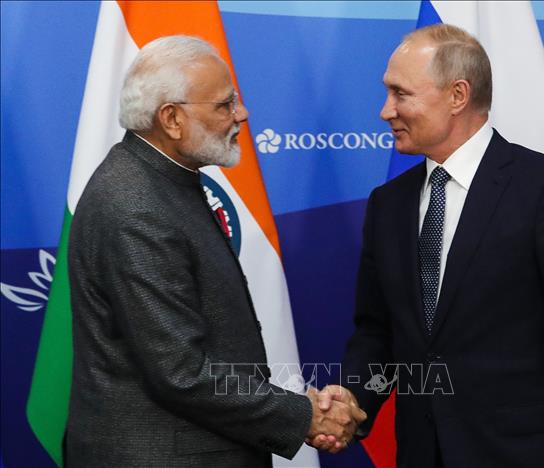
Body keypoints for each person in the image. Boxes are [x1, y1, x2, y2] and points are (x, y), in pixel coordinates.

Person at [316, 24, 544, 467]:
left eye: (400, 93)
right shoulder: (388, 204)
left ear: (457, 95)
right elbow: (378, 334)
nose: (385, 111)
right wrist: (352, 402)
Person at [66, 35, 364, 467]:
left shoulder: (161, 180)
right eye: (225, 104)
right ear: (172, 118)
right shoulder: (136, 205)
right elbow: (180, 371)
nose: (242, 114)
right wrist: (304, 416)